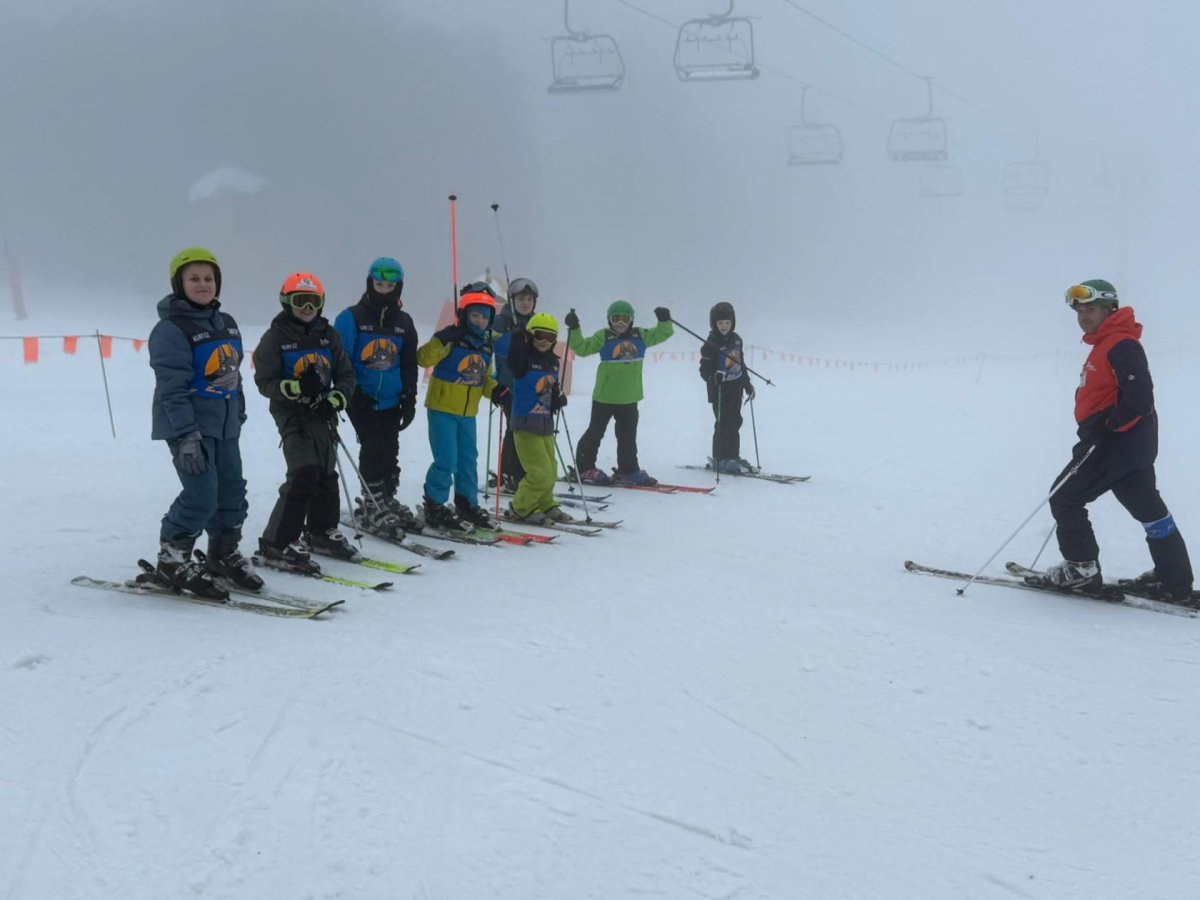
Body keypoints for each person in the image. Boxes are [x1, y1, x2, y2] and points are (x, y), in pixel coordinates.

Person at [1040, 279, 1193, 599]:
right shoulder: (1107, 344)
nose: (1083, 317)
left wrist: (1107, 428)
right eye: (1079, 312)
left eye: (1090, 309)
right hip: (1130, 445)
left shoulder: (1120, 344)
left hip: (1114, 443)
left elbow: (1139, 397)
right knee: (1150, 510)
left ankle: (1080, 569)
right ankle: (1173, 579)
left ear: (1110, 309)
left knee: (1064, 497)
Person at [149, 247, 261, 600]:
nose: (202, 284)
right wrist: (185, 434)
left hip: (225, 426)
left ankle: (223, 553)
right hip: (189, 429)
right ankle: (172, 558)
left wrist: (238, 410)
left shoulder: (226, 323)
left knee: (232, 493)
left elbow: (233, 373)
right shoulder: (170, 329)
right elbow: (171, 387)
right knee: (201, 495)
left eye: (208, 278)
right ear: (178, 284)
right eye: (194, 278)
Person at [253, 272, 358, 574]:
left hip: (323, 414)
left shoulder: (329, 335)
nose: (307, 308)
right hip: (293, 416)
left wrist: (335, 399)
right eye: (300, 301)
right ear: (287, 302)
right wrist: (295, 388)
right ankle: (277, 542)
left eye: (313, 301)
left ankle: (321, 531)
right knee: (304, 473)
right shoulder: (275, 337)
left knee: (326, 473)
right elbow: (265, 381)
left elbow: (346, 375)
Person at [333, 256, 419, 536]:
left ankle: (386, 497)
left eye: (390, 286)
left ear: (398, 287)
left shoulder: (404, 322)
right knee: (373, 448)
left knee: (390, 449)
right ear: (370, 283)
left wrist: (409, 396)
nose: (384, 290)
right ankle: (372, 503)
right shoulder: (352, 317)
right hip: (362, 398)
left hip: (392, 399)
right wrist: (353, 392)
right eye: (379, 284)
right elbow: (341, 357)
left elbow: (408, 362)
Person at [416, 284, 508, 532]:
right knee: (446, 460)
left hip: (468, 414)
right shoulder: (451, 339)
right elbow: (423, 358)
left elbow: (483, 379)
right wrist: (442, 339)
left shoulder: (486, 345)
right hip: (442, 409)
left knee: (468, 460)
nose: (479, 321)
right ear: (464, 314)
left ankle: (467, 504)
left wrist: (496, 390)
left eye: (484, 317)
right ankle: (435, 505)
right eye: (474, 315)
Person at [565, 300, 673, 486]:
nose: (621, 323)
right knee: (595, 433)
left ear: (631, 320)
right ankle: (584, 468)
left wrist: (664, 321)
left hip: (629, 399)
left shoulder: (641, 336)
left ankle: (628, 470)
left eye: (625, 319)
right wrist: (574, 329)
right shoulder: (604, 336)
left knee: (627, 437)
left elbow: (662, 334)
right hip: (604, 398)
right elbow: (583, 348)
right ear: (609, 320)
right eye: (616, 319)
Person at [502, 313, 571, 525]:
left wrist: (557, 398)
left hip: (545, 424)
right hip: (525, 425)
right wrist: (517, 338)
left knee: (551, 470)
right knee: (539, 472)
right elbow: (513, 361)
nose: (544, 341)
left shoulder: (553, 362)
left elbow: (550, 388)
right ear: (531, 335)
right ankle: (520, 507)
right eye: (540, 335)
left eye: (550, 337)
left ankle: (545, 503)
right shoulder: (523, 360)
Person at [491, 277, 540, 492]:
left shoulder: (537, 322)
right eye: (521, 299)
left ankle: (517, 471)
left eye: (529, 299)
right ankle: (511, 474)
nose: (525, 303)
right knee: (516, 428)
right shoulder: (501, 321)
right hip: (508, 386)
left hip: (531, 386)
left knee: (527, 429)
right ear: (512, 300)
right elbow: (488, 342)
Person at [699, 300, 757, 475]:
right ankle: (720, 458)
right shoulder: (710, 344)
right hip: (719, 390)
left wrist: (747, 384)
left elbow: (741, 364)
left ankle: (733, 456)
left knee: (735, 421)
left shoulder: (736, 340)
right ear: (714, 324)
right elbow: (704, 370)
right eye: (720, 323)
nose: (724, 326)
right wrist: (713, 376)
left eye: (727, 322)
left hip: (735, 388)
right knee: (723, 423)